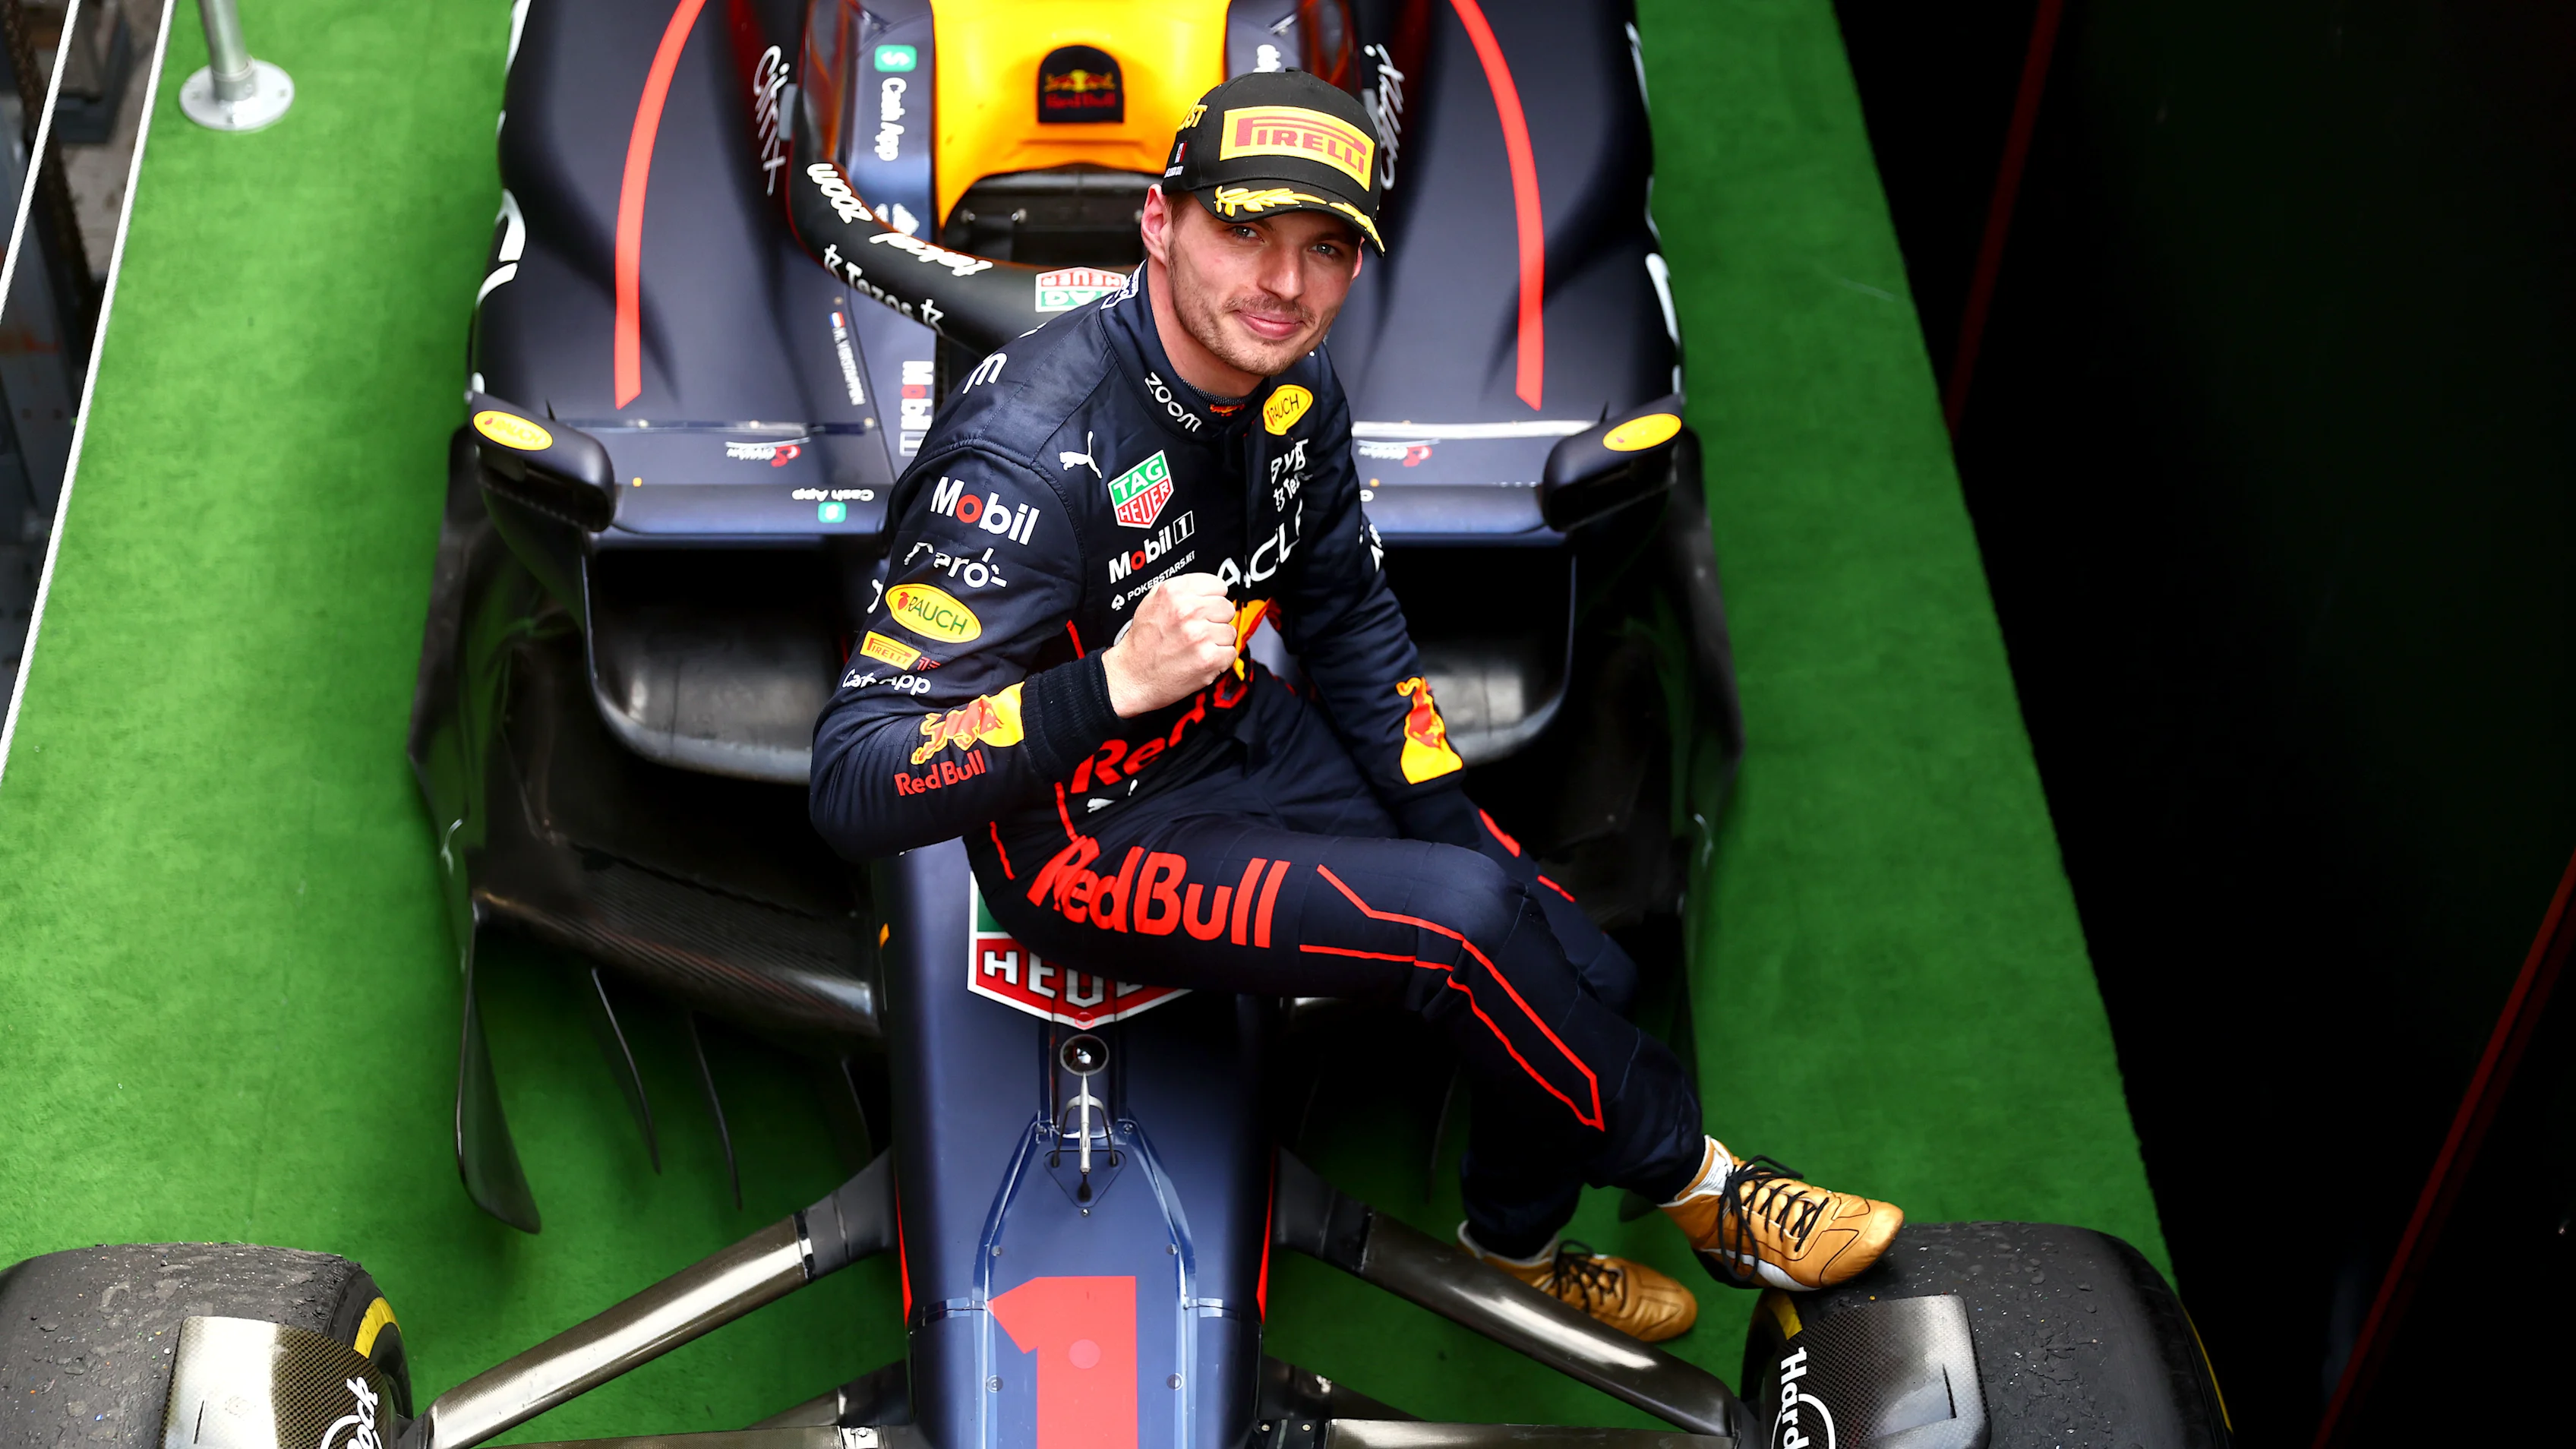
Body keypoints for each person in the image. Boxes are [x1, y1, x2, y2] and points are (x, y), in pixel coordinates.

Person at [810, 70, 1902, 1342]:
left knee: (1572, 950)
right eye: (1245, 230)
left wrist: (1447, 823)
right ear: (1160, 224)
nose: (1283, 282)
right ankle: (1702, 1185)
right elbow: (852, 778)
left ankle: (1518, 1244)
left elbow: (1349, 621)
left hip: (1232, 737)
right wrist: (1105, 687)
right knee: (1473, 929)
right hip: (1081, 845)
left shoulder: (1292, 388)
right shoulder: (1023, 462)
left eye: (1324, 249)